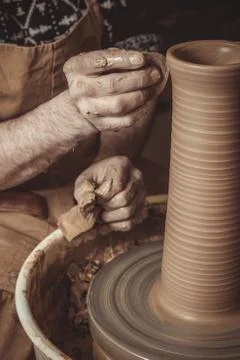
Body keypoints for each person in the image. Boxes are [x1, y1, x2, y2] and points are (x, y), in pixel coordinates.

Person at [0, 1, 168, 359]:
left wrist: (110, 159)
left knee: (197, 232)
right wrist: (68, 118)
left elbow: (140, 64)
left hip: (89, 165)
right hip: (7, 189)